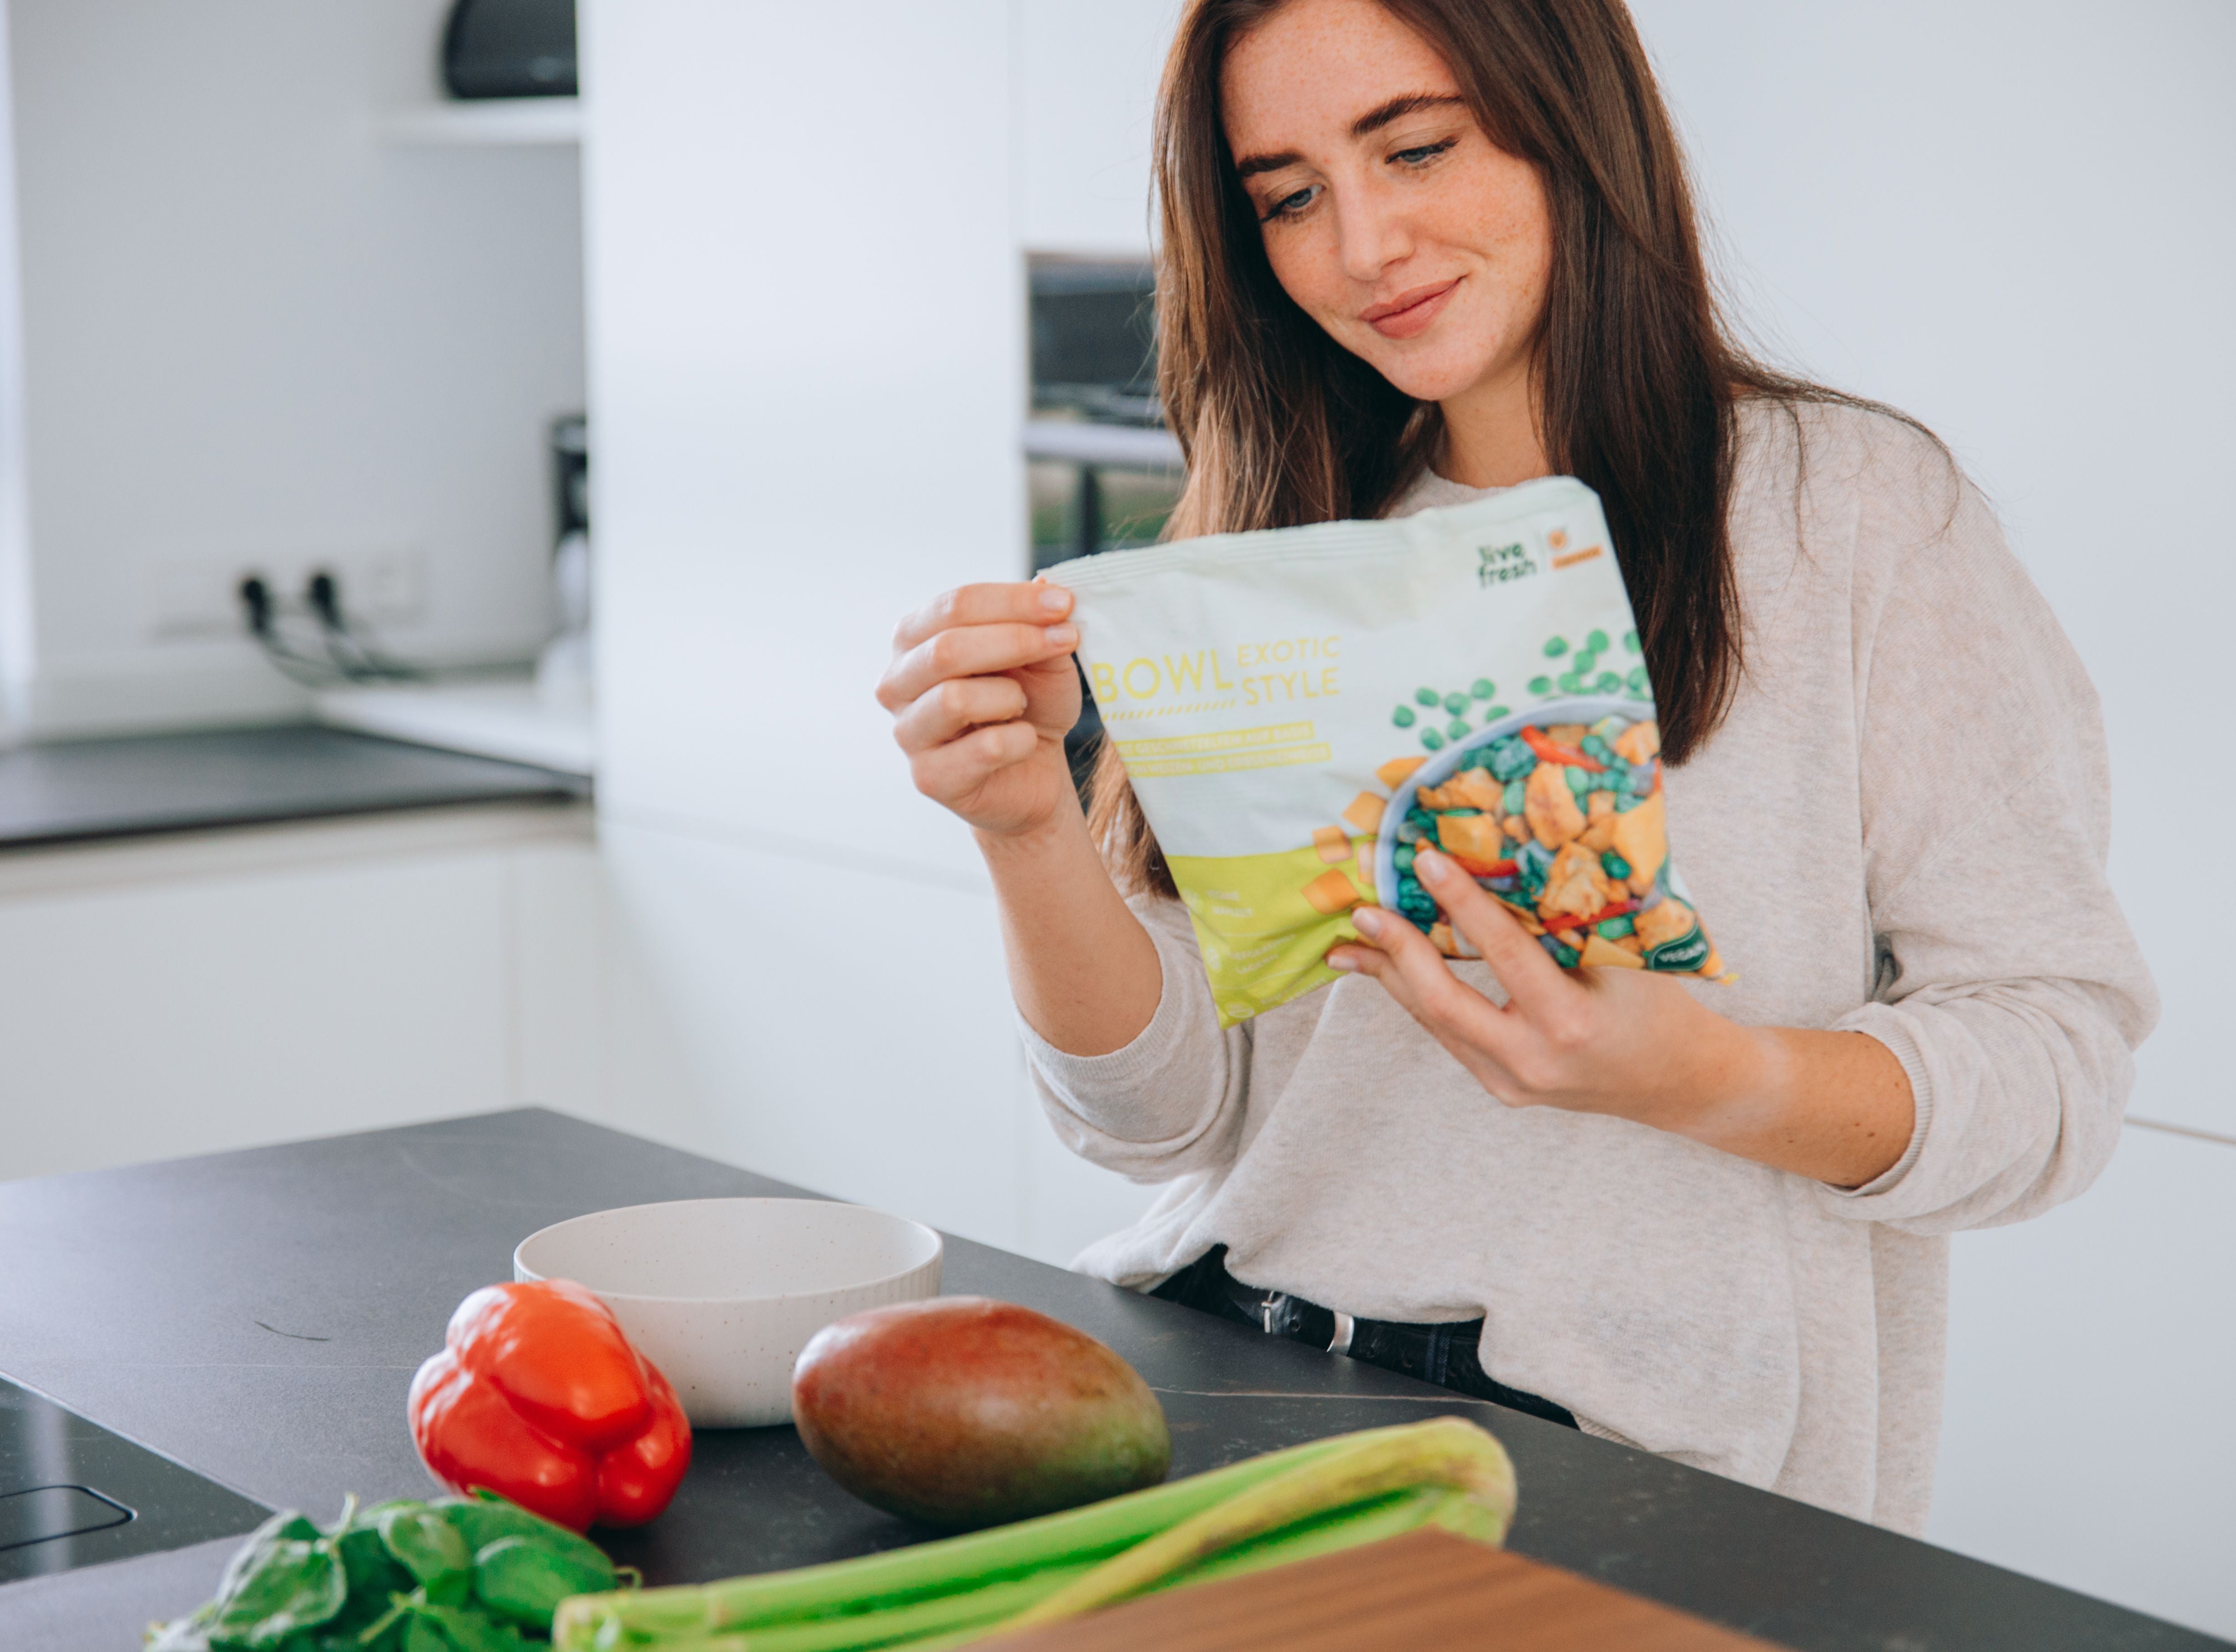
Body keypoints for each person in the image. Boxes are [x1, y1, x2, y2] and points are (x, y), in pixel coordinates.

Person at [875, 0, 2154, 1533]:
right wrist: (1026, 830)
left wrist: (1710, 1079)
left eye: (1417, 147)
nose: (1363, 246)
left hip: (1647, 1475)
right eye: (1288, 196)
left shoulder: (1856, 518)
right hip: (1222, 1383)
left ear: (1571, 120)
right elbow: (1162, 1122)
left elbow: (2057, 1068)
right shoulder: (1281, 548)